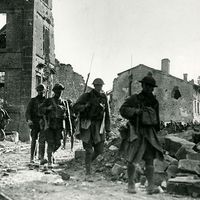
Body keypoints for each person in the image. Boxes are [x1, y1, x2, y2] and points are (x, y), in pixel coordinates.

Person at [119, 72, 163, 194]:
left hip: (150, 132)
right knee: (132, 158)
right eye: (146, 85)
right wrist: (135, 111)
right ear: (142, 86)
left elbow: (157, 119)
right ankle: (130, 184)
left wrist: (156, 133)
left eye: (151, 86)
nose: (148, 88)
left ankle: (150, 186)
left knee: (149, 159)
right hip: (136, 131)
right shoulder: (134, 98)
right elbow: (122, 110)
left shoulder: (155, 102)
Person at [73, 78, 111, 180]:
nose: (99, 87)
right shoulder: (86, 96)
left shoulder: (104, 97)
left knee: (99, 150)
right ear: (94, 86)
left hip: (99, 126)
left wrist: (108, 130)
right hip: (87, 125)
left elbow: (107, 114)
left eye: (100, 85)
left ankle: (87, 163)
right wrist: (85, 106)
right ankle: (88, 172)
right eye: (97, 85)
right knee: (89, 150)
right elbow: (75, 107)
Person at [40, 83, 71, 168]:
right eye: (57, 91)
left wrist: (70, 129)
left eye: (60, 91)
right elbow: (40, 109)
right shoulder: (49, 101)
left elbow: (68, 116)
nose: (59, 93)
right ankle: (50, 162)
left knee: (58, 144)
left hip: (59, 126)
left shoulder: (64, 102)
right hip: (49, 125)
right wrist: (47, 108)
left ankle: (51, 154)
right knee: (50, 143)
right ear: (54, 92)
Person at [25, 84, 46, 164]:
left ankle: (41, 157)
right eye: (39, 90)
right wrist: (29, 120)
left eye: (42, 90)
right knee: (34, 139)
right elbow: (28, 112)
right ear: (37, 91)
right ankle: (32, 157)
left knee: (42, 140)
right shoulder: (33, 100)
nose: (41, 92)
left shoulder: (47, 101)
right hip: (35, 122)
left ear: (44, 91)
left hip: (43, 122)